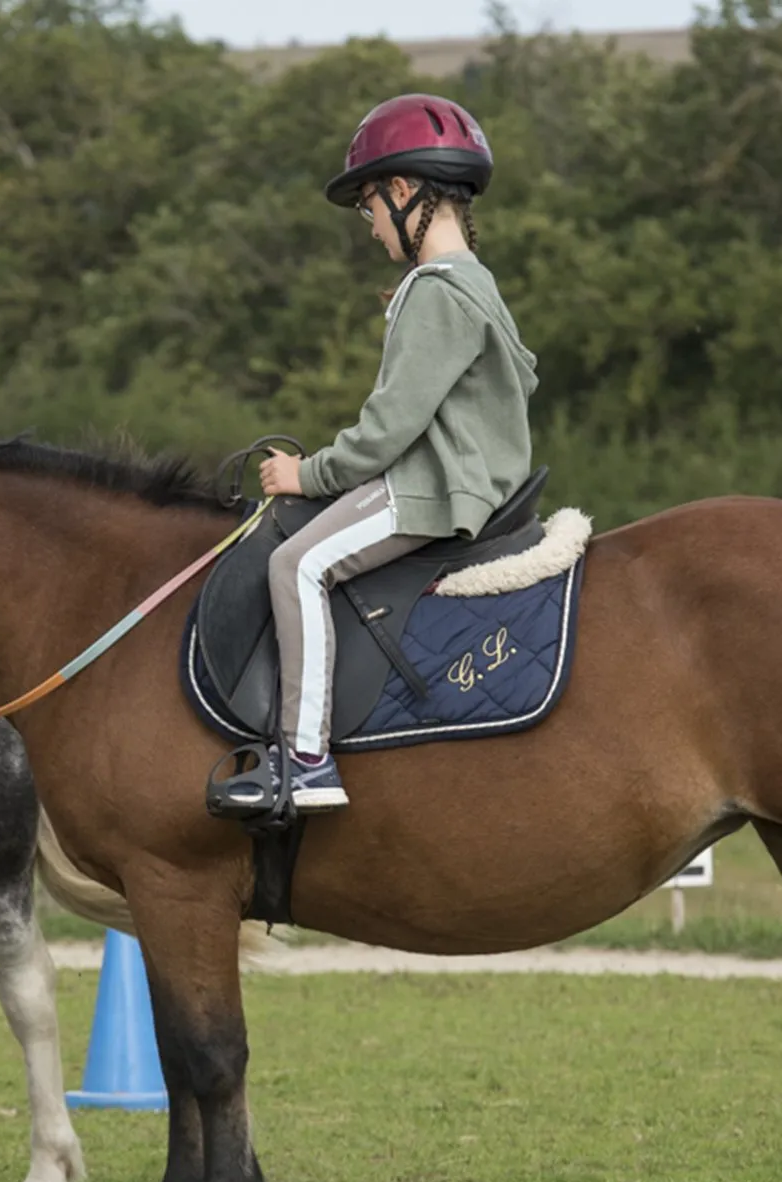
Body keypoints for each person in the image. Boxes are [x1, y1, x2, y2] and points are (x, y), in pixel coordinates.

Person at [235, 93, 539, 814]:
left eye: (369, 208)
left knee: (297, 563)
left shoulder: (434, 291)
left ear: (404, 193)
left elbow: (388, 429)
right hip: (477, 482)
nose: (371, 229)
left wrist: (304, 474)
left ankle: (304, 760)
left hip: (434, 489)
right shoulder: (478, 282)